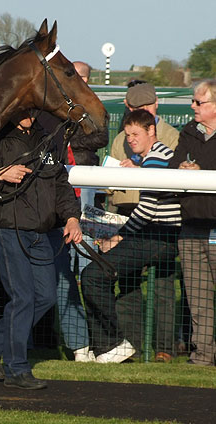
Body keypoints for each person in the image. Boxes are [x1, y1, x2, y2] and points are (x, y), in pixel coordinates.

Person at [0, 112, 83, 389]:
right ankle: (17, 369)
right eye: (23, 109)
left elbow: (60, 183)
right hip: (8, 230)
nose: (29, 115)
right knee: (23, 298)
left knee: (45, 296)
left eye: (33, 109)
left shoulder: (46, 139)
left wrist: (71, 217)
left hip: (41, 232)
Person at [81, 109, 181, 363]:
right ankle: (122, 345)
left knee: (93, 275)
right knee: (122, 285)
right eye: (127, 135)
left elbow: (148, 208)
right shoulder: (153, 158)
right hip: (156, 236)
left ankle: (112, 343)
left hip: (159, 237)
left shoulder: (157, 158)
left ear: (151, 131)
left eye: (136, 134)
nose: (131, 140)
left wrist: (118, 237)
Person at [38, 60, 108, 362]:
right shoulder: (53, 111)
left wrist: (67, 137)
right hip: (59, 200)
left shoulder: (87, 106)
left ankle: (101, 341)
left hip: (85, 197)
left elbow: (99, 134)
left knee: (89, 272)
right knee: (61, 279)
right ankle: (80, 345)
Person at [169, 80, 216, 367]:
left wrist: (202, 172)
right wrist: (182, 169)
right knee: (197, 299)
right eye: (193, 102)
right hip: (191, 226)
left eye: (199, 103)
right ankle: (202, 356)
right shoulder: (189, 131)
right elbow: (174, 164)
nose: (193, 107)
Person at [110, 82, 180, 216]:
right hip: (123, 209)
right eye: (139, 108)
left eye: (149, 105)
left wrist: (137, 171)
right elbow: (109, 186)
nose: (145, 110)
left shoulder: (173, 137)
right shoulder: (120, 139)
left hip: (156, 213)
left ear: (157, 103)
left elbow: (173, 179)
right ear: (129, 108)